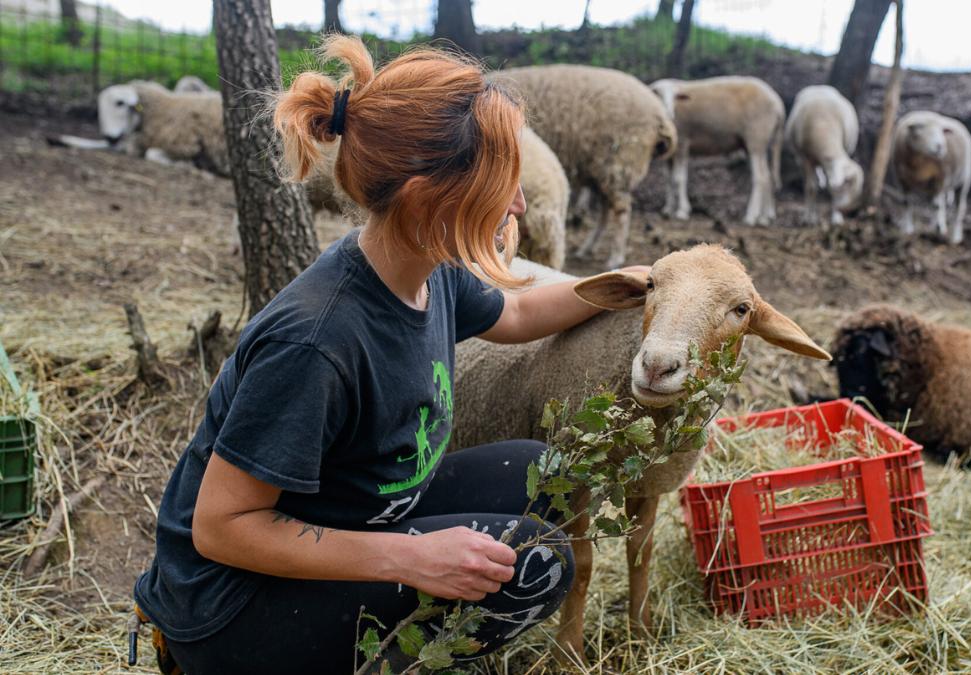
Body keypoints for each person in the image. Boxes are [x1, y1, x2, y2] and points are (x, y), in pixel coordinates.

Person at [133, 36, 646, 674]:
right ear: (427, 196)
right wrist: (411, 556)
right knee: (537, 569)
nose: (517, 204)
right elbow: (222, 527)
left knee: (545, 471)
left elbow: (515, 313)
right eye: (500, 183)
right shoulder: (316, 342)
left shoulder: (427, 265)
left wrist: (626, 286)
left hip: (358, 527)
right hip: (232, 608)